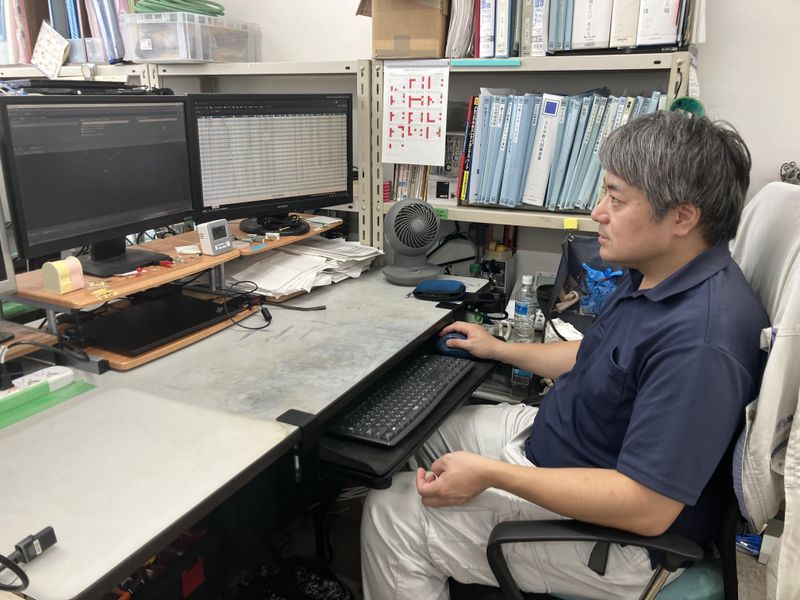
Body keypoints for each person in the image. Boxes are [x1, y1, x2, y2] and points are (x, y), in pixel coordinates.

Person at [360, 111, 769, 600]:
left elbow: (647, 508)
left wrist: (492, 475)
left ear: (683, 217)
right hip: (562, 444)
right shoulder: (658, 272)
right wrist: (500, 348)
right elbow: (598, 355)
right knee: (416, 435)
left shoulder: (701, 344)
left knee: (392, 514)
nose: (598, 212)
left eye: (616, 198)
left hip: (620, 540)